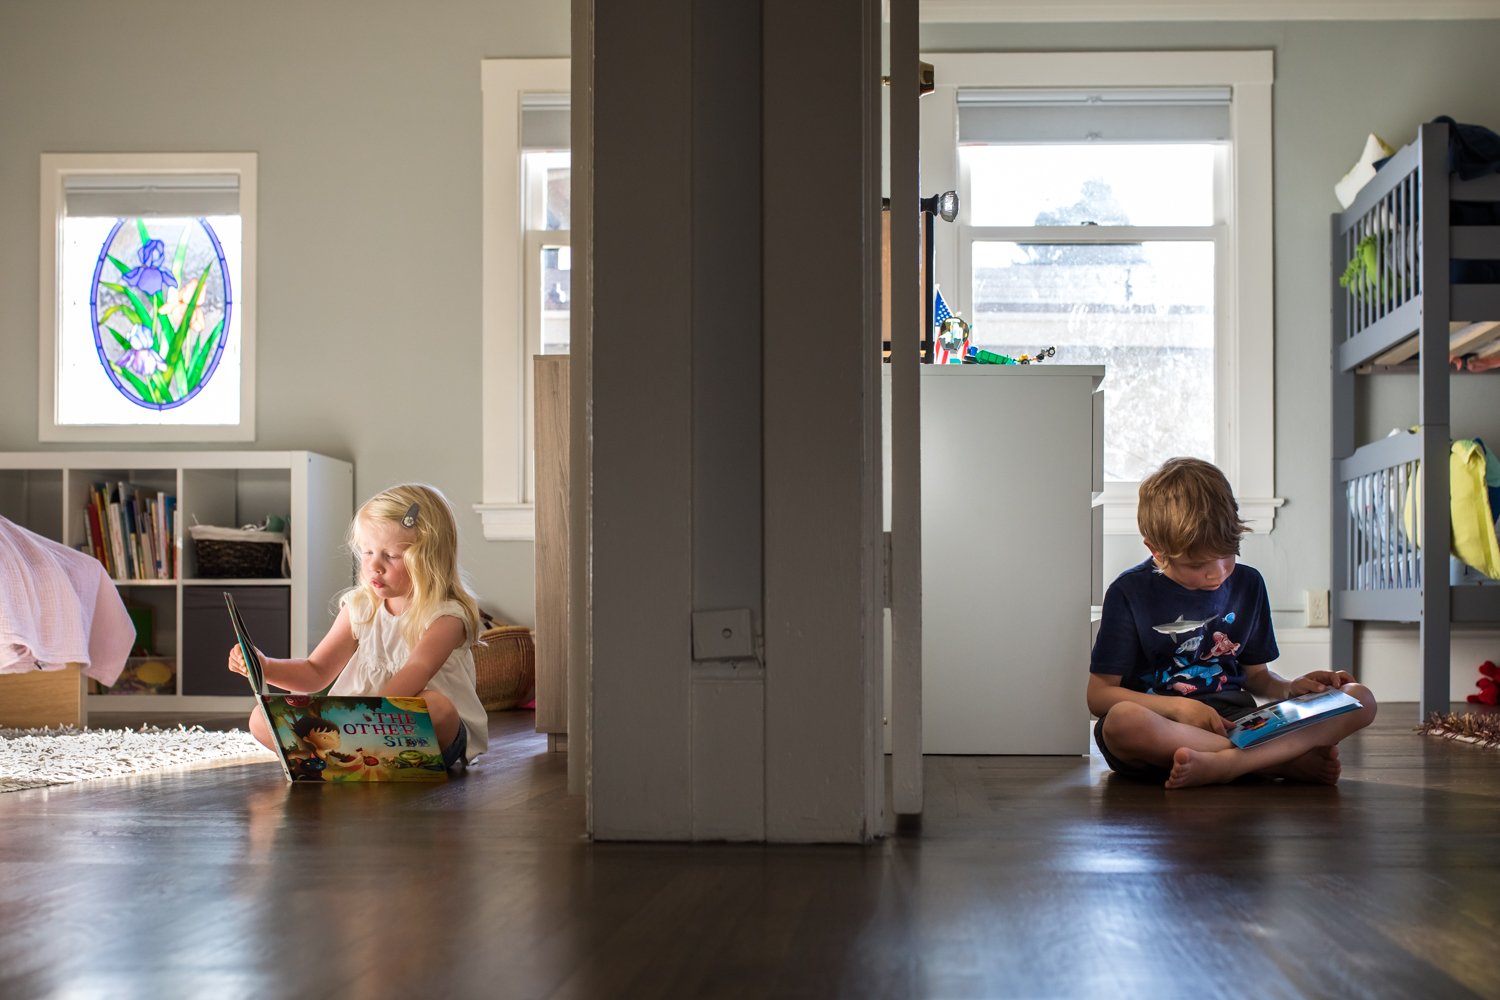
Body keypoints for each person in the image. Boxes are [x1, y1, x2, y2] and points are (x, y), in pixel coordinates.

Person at [1089, 457, 1377, 789]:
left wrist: (1289, 688)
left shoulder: (1248, 584)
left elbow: (1257, 678)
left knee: (1359, 698)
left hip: (1238, 722)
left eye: (1228, 554)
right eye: (1197, 565)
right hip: (1163, 727)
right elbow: (1099, 696)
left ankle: (1228, 764)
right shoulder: (1129, 593)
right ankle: (1274, 761)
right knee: (1122, 722)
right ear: (1156, 550)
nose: (1217, 572)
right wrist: (1178, 708)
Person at [229, 483, 487, 770]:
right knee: (260, 717)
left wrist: (365, 720)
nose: (374, 566)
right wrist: (264, 665)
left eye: (390, 556)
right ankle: (355, 759)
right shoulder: (360, 607)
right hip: (354, 730)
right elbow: (316, 671)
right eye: (367, 552)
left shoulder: (446, 616)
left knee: (436, 707)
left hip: (407, 729)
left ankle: (350, 758)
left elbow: (417, 670)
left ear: (428, 559)